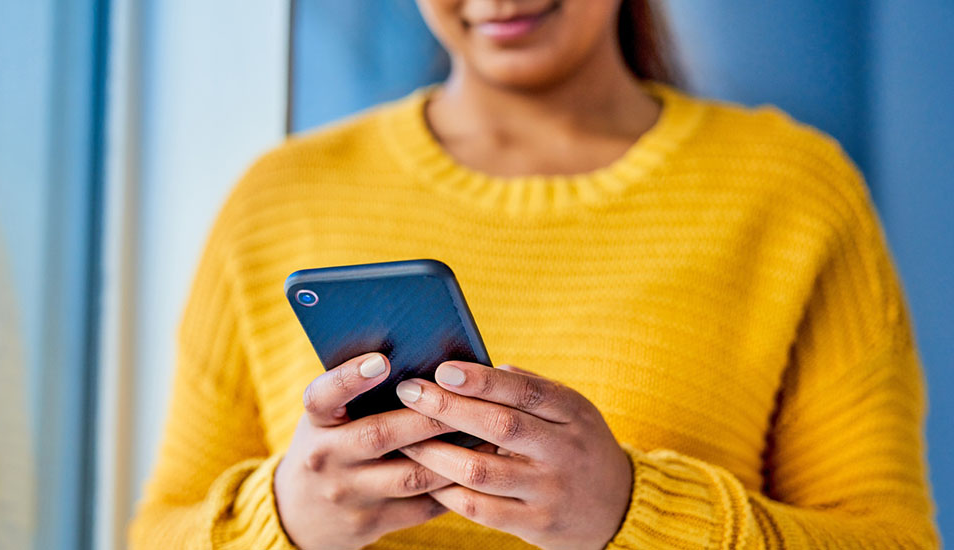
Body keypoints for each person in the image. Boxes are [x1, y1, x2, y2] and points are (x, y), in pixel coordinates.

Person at [129, 1, 938, 548]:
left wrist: (632, 514)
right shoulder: (278, 199)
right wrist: (287, 518)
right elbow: (157, 530)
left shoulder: (792, 191)